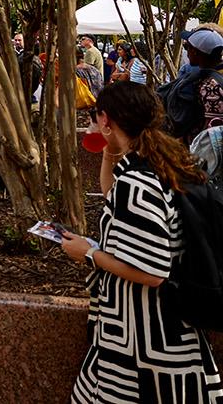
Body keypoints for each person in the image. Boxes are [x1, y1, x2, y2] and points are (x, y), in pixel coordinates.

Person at [61, 82, 223, 402]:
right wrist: (109, 151)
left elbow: (151, 272)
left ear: (106, 119)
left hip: (145, 332)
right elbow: (114, 198)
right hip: (161, 334)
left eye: (96, 116)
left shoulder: (138, 182)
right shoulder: (166, 160)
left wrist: (90, 252)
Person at [158, 29, 223, 143]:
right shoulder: (204, 77)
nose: (186, 52)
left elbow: (211, 130)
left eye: (187, 47)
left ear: (195, 52)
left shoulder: (211, 86)